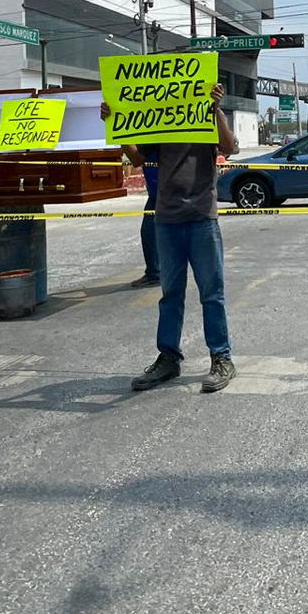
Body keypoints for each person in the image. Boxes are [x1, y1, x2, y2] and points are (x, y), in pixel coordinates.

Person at [101, 82, 237, 393]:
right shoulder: (160, 123)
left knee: (211, 294)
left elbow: (228, 148)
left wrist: (216, 110)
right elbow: (136, 158)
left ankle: (222, 357)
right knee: (170, 294)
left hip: (202, 217)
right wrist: (114, 124)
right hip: (167, 219)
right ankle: (168, 358)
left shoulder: (206, 117)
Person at [130, 151, 161, 288]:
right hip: (158, 190)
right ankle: (157, 272)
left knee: (149, 232)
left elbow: (136, 159)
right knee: (152, 232)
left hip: (162, 190)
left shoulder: (150, 140)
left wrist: (122, 140)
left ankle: (155, 273)